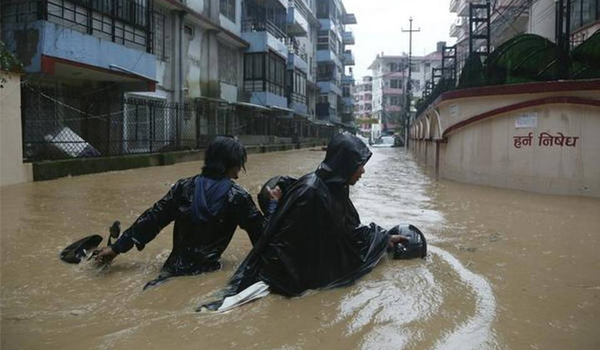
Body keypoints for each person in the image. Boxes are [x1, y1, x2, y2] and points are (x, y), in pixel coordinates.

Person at [213, 133, 407, 302]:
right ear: (345, 165)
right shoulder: (310, 192)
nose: (362, 171)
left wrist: (383, 239)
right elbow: (281, 241)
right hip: (286, 279)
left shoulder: (338, 189)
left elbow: (349, 231)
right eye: (359, 165)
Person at [95, 136, 281, 288]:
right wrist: (273, 205)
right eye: (239, 164)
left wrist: (116, 248)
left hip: (169, 272)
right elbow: (264, 238)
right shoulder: (237, 197)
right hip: (206, 277)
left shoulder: (183, 188)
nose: (240, 170)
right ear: (230, 165)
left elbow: (152, 219)